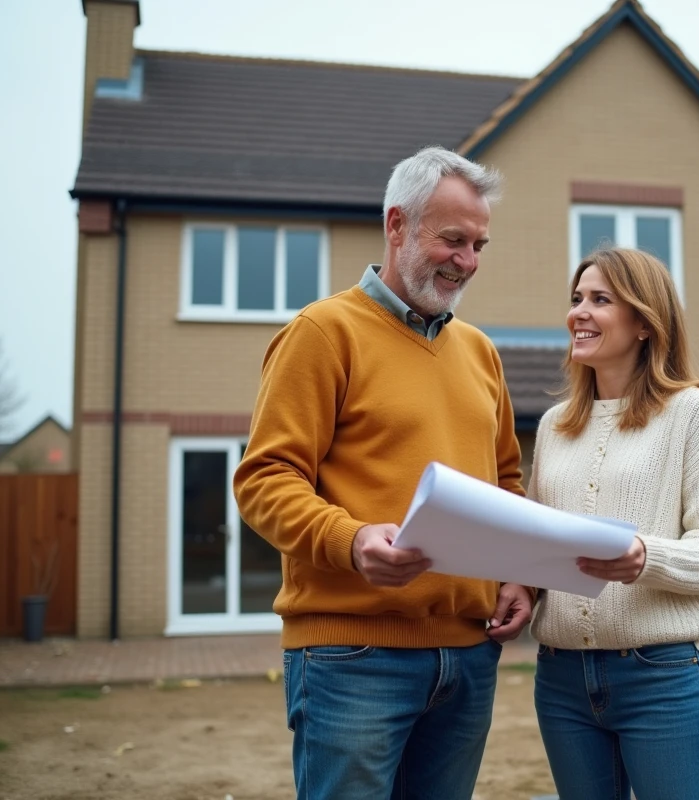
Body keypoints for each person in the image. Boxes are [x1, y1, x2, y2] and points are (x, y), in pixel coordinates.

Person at [233, 146, 535, 800]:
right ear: (397, 226)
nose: (469, 261)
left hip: (469, 658)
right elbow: (263, 480)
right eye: (453, 239)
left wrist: (516, 573)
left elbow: (507, 482)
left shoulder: (480, 353)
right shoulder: (322, 332)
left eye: (480, 244)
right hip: (351, 660)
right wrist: (351, 540)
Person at [528, 247, 699, 800]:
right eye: (577, 299)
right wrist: (516, 588)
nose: (579, 311)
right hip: (561, 680)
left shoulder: (694, 414)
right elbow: (535, 545)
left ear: (645, 323)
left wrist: (644, 558)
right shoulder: (554, 427)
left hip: (660, 678)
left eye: (600, 300)